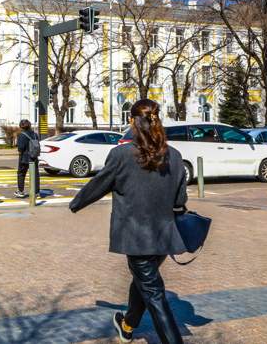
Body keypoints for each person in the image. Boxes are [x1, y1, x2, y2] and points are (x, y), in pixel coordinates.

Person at [69, 99, 188, 344]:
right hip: (164, 236)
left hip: (136, 238)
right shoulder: (174, 156)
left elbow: (100, 183)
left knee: (154, 295)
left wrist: (76, 203)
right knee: (143, 284)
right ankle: (127, 326)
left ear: (133, 121)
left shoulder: (122, 154)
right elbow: (180, 200)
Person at [15, 119, 40, 199]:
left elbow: (21, 148)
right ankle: (36, 193)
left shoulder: (22, 135)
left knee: (21, 174)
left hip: (24, 158)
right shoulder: (35, 134)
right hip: (34, 157)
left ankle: (21, 191)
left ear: (21, 126)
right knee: (35, 175)